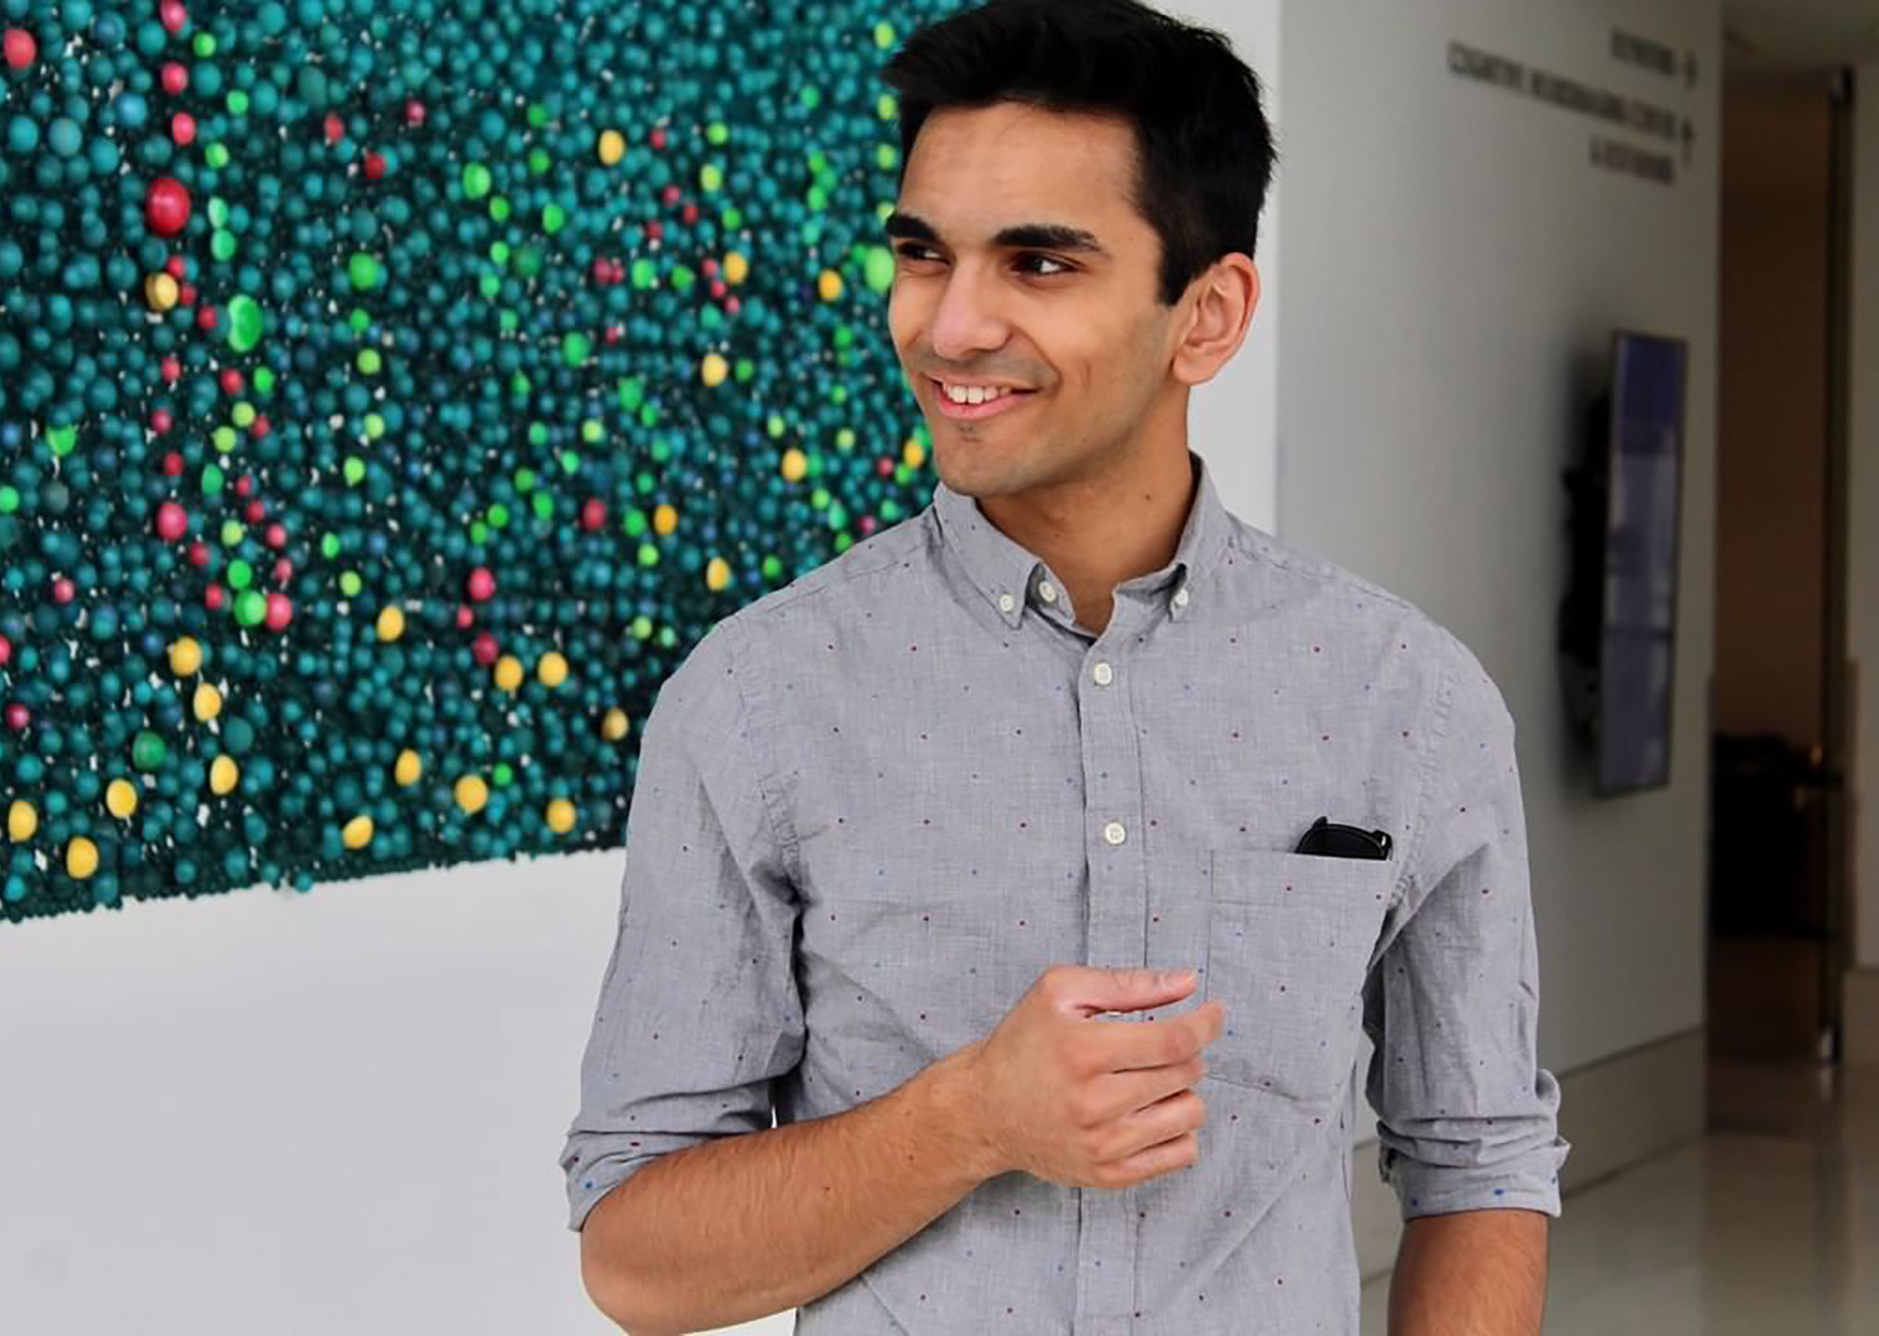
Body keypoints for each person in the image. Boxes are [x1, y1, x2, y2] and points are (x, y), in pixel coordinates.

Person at [561, 0, 1570, 1331]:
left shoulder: (1406, 699)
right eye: (925, 254)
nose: (952, 325)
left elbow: (1480, 1162)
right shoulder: (757, 700)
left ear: (1206, 317)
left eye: (1038, 264)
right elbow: (636, 1259)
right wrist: (969, 1118)